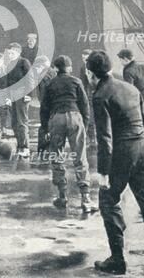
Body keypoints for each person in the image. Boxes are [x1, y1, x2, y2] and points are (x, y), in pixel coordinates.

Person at [89, 51, 144, 278]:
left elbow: (105, 139)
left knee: (108, 200)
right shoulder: (131, 88)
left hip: (121, 154)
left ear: (91, 73)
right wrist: (143, 147)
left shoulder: (100, 96)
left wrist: (103, 173)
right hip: (143, 150)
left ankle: (117, 259)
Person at [40, 55, 96, 213]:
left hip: (57, 118)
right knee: (80, 157)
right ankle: (85, 198)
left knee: (56, 156)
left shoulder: (51, 84)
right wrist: (83, 125)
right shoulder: (76, 81)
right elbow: (85, 106)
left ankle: (62, 195)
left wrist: (45, 129)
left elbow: (44, 109)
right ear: (70, 68)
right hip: (75, 116)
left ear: (55, 69)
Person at [4, 42, 33, 158]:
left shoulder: (24, 62)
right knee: (14, 123)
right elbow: (7, 83)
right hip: (12, 96)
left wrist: (29, 94)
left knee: (22, 122)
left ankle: (25, 147)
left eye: (12, 53)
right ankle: (20, 145)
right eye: (9, 53)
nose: (10, 55)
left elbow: (30, 79)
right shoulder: (9, 64)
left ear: (18, 52)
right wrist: (7, 97)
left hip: (22, 95)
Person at [33, 55, 57, 164]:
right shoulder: (52, 73)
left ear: (42, 66)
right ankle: (49, 153)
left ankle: (44, 155)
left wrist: (44, 105)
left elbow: (44, 94)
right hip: (54, 106)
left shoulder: (44, 75)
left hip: (48, 106)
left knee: (44, 129)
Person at [0, 52, 12, 138]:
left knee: (10, 112)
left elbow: (10, 84)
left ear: (2, 61)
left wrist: (9, 97)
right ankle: (3, 130)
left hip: (8, 94)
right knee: (2, 113)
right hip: (1, 94)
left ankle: (11, 130)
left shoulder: (6, 70)